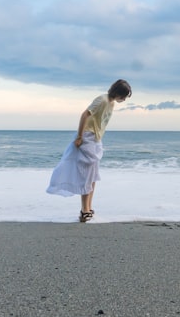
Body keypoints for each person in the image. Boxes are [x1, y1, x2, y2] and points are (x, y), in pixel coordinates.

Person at [46, 79, 132, 222]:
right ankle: (84, 210)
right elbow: (85, 114)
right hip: (87, 137)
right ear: (117, 92)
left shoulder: (111, 103)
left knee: (93, 175)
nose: (123, 99)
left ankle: (88, 208)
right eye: (123, 96)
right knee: (87, 176)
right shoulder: (102, 99)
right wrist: (80, 136)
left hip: (96, 139)